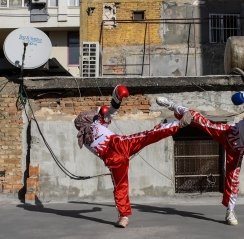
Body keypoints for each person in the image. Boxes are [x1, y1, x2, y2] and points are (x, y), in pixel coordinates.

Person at [156, 92, 244, 226]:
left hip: (237, 151)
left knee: (233, 180)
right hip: (227, 132)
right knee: (199, 119)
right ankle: (172, 105)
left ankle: (230, 211)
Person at [75, 85, 192, 228]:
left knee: (120, 187)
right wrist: (117, 98)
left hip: (112, 160)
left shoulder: (83, 139)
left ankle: (123, 217)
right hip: (119, 144)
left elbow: (106, 119)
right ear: (87, 119)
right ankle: (177, 124)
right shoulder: (96, 124)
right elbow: (110, 113)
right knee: (147, 136)